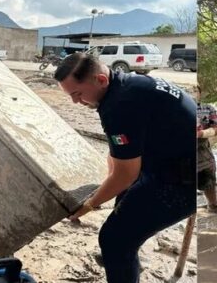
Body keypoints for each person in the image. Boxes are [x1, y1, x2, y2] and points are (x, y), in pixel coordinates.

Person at [54, 53, 195, 282]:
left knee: (112, 239)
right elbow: (118, 154)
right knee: (123, 203)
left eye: (78, 94)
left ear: (100, 79)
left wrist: (89, 204)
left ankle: (121, 254)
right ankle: (125, 260)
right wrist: (108, 184)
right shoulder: (126, 84)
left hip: (183, 182)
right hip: (168, 161)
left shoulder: (120, 104)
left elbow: (126, 174)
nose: (75, 102)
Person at [196, 85, 217, 214]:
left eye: (195, 90)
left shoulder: (208, 109)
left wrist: (202, 133)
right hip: (180, 150)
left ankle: (213, 205)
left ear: (200, 93)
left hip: (202, 150)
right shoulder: (177, 107)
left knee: (208, 179)